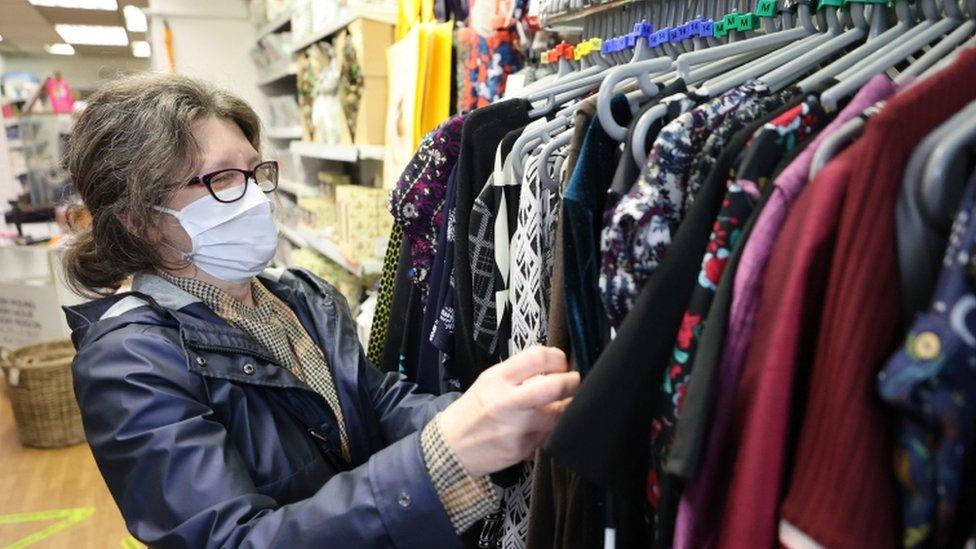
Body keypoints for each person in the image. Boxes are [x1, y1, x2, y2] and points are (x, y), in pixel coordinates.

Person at [62, 73, 579, 548]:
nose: (256, 200)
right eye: (220, 180)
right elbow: (230, 540)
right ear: (138, 221)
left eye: (255, 171)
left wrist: (486, 416)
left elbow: (376, 403)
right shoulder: (130, 363)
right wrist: (438, 459)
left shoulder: (299, 296)